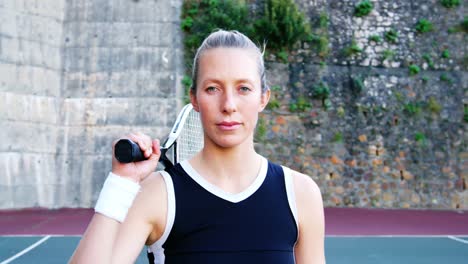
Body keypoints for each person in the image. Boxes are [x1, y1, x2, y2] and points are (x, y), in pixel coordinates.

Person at [70, 29, 325, 264]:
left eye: (243, 88)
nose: (229, 105)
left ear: (263, 98)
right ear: (194, 98)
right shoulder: (158, 194)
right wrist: (120, 184)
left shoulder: (300, 194)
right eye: (213, 88)